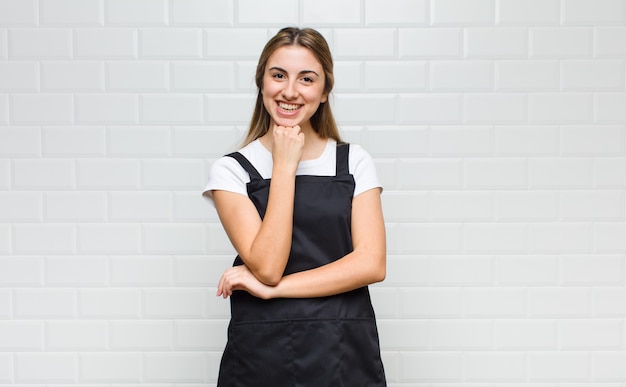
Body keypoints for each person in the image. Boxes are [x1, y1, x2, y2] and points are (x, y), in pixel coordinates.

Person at [203, 26, 387, 386]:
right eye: (278, 75)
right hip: (261, 353)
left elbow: (371, 264)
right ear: (261, 82)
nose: (290, 91)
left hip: (344, 351)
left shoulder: (354, 162)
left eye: (306, 78)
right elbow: (268, 265)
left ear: (324, 91)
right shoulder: (231, 170)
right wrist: (285, 166)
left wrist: (275, 289)